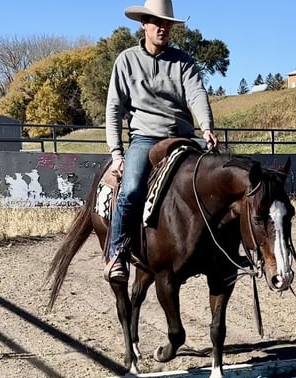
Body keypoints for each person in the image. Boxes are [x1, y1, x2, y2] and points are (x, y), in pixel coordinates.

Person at [104, 0, 219, 283]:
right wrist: (117, 153)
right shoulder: (126, 60)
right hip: (145, 138)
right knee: (131, 190)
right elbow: (114, 108)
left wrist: (206, 127)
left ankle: (222, 250)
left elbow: (196, 94)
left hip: (182, 136)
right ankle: (116, 253)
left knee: (217, 181)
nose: (162, 28)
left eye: (167, 23)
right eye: (157, 22)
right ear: (143, 24)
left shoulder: (183, 61)